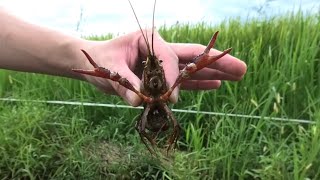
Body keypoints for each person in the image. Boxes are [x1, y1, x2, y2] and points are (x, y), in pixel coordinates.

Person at [0, 8, 247, 107]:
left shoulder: (162, 80)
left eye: (158, 65)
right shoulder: (140, 86)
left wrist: (81, 58)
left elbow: (184, 72)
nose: (154, 68)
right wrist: (84, 61)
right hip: (151, 110)